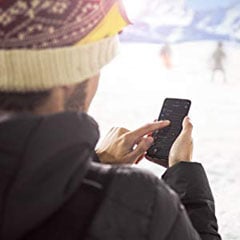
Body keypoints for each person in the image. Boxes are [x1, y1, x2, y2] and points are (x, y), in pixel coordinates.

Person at [0, 1, 221, 240]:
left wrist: (91, 164)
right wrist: (184, 172)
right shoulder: (139, 204)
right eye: (95, 66)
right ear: (70, 74)